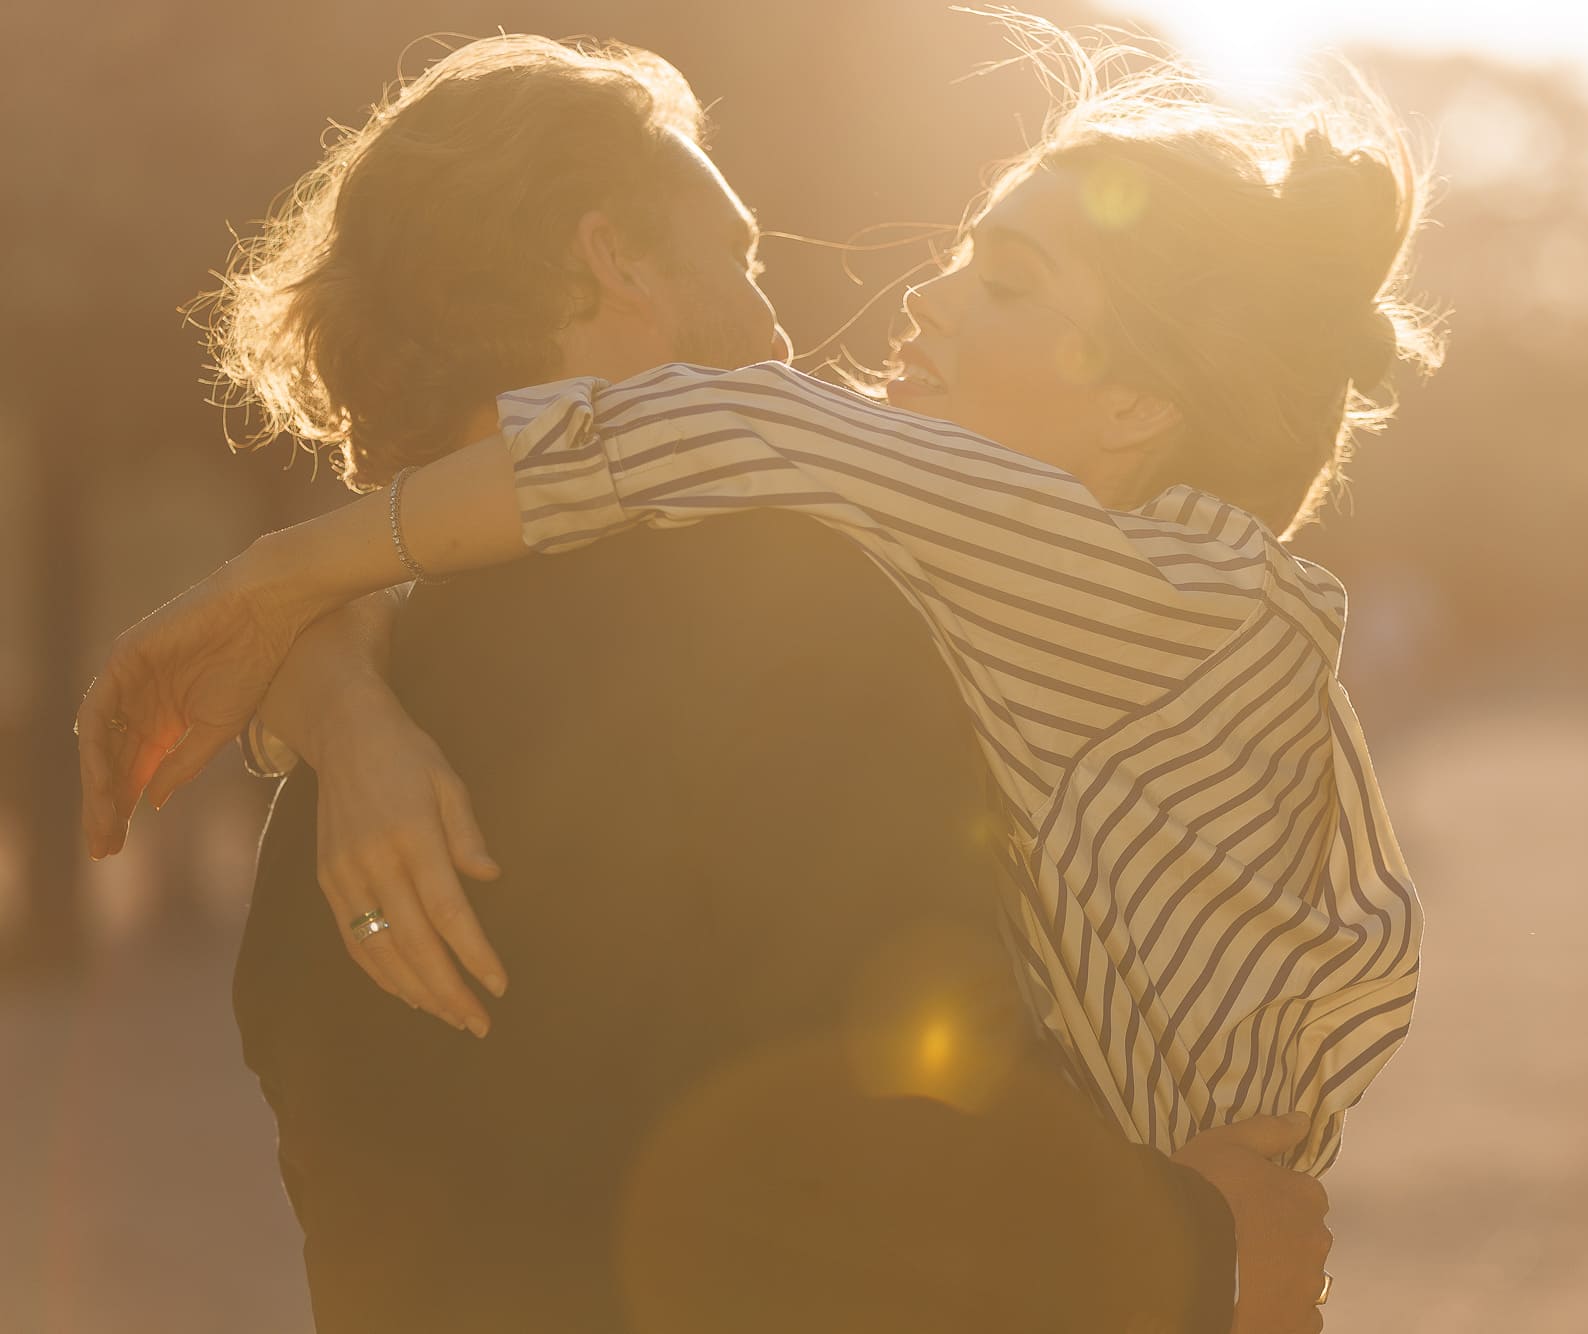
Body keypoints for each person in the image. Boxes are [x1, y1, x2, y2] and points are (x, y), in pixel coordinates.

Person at [79, 19, 1442, 1328]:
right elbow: (882, 1173)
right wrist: (1205, 1241)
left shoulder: (322, 828)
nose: (787, 331)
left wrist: (327, 662)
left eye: (1007, 280)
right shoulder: (781, 631)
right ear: (612, 261)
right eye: (738, 256)